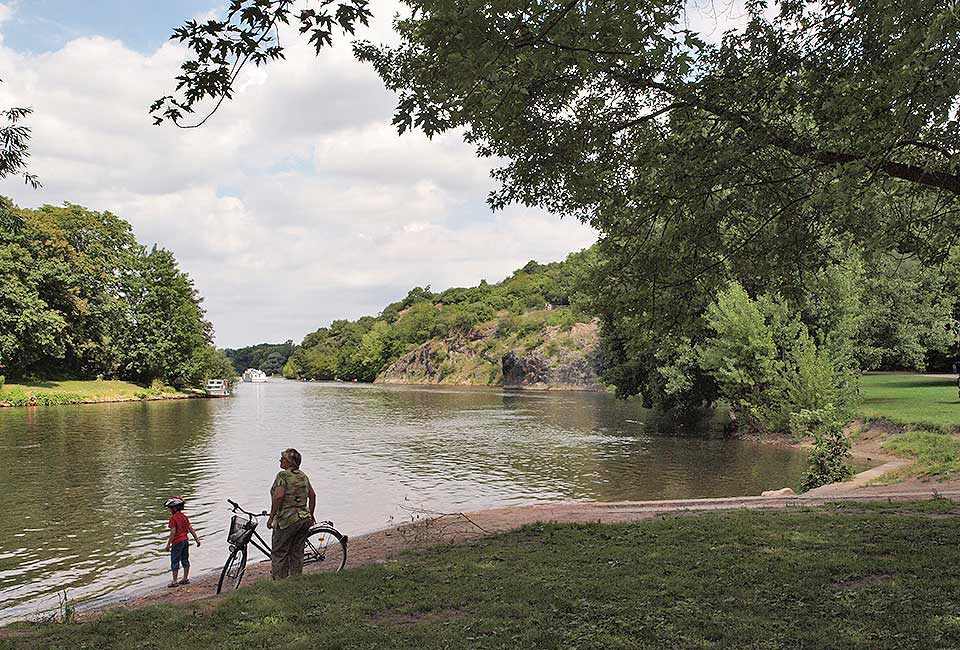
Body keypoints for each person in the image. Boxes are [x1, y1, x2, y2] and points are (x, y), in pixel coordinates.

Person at [267, 448, 317, 579]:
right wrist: (311, 515)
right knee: (297, 552)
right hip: (303, 519)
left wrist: (271, 517)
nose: (280, 460)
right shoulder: (303, 476)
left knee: (279, 552)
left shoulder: (282, 476)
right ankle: (296, 580)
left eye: (283, 458)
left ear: (289, 462)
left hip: (287, 520)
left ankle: (279, 583)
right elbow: (312, 495)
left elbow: (278, 497)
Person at [163, 496, 200, 587]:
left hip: (177, 542)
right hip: (185, 541)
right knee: (185, 559)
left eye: (169, 509)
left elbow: (173, 532)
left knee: (175, 561)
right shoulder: (184, 517)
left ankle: (175, 581)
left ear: (174, 508)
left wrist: (168, 544)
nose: (169, 510)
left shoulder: (173, 518)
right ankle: (185, 578)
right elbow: (190, 528)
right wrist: (197, 539)